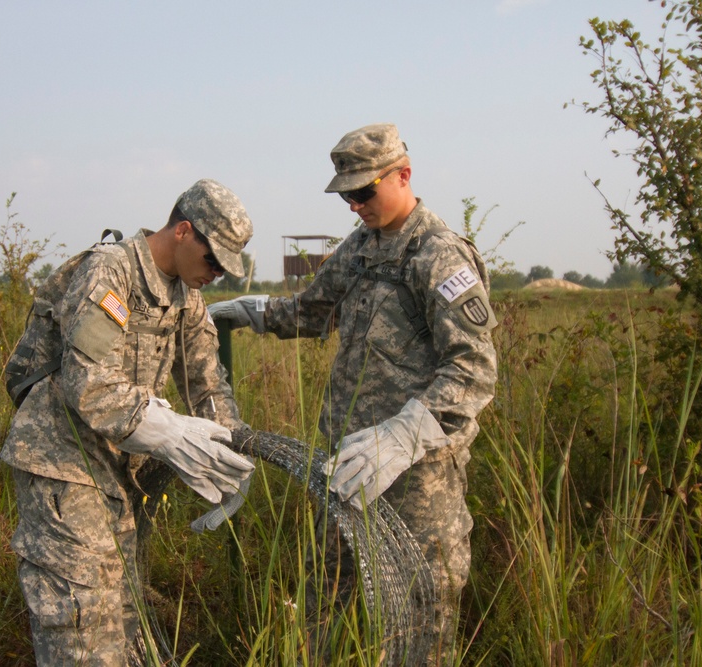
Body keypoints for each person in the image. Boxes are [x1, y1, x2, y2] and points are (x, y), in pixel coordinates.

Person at [210, 123, 498, 664]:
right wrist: (252, 312)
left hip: (417, 481)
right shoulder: (362, 247)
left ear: (404, 176)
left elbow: (474, 369)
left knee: (419, 614)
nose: (354, 206)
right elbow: (310, 310)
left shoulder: (439, 256)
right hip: (346, 468)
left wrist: (404, 434)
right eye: (346, 195)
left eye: (364, 192)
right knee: (330, 600)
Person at [1, 179, 256, 666]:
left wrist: (228, 454)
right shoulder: (111, 271)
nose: (217, 275)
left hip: (119, 472)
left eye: (226, 268)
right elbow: (88, 383)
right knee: (80, 621)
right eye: (213, 261)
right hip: (64, 462)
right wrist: (171, 432)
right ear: (183, 231)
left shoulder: (186, 297)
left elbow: (206, 384)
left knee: (124, 614)